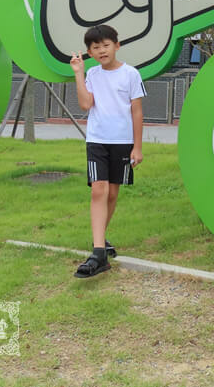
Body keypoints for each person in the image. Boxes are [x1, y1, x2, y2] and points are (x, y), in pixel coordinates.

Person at [69, 24, 146, 278]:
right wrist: (79, 73)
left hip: (122, 143)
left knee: (112, 193)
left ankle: (100, 241)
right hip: (97, 140)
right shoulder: (92, 74)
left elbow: (137, 111)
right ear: (89, 53)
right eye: (95, 47)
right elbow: (85, 103)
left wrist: (137, 147)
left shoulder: (131, 74)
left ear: (117, 45)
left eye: (105, 45)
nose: (101, 50)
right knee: (99, 189)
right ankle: (99, 253)